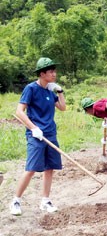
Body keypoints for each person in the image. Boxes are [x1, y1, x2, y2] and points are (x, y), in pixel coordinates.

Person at [10, 57, 66, 216]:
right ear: (42, 74)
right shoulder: (31, 88)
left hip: (50, 134)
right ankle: (16, 201)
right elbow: (19, 111)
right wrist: (34, 128)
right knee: (31, 168)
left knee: (49, 169)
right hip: (36, 135)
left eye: (55, 71)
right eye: (51, 71)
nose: (54, 74)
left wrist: (60, 91)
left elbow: (62, 107)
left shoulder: (50, 90)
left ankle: (45, 201)